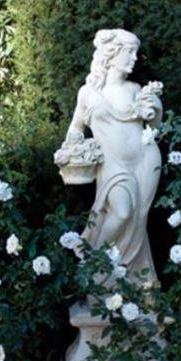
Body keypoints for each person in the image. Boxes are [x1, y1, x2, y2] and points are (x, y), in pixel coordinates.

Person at [60, 29, 163, 287]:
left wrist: (155, 109)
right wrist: (73, 148)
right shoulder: (89, 93)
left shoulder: (135, 89)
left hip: (146, 160)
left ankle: (137, 280)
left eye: (135, 53)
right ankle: (94, 262)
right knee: (121, 212)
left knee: (139, 218)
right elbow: (75, 129)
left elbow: (155, 127)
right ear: (111, 54)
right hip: (113, 165)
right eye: (129, 52)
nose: (134, 58)